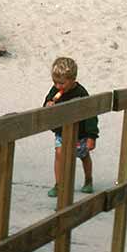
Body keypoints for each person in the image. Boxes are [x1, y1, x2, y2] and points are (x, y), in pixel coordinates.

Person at [43, 57, 98, 197]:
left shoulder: (81, 92)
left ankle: (88, 180)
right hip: (62, 132)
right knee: (59, 154)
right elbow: (46, 103)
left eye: (62, 83)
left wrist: (92, 136)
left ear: (73, 79)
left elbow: (91, 114)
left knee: (84, 156)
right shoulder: (54, 90)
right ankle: (58, 184)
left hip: (80, 134)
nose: (58, 86)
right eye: (55, 82)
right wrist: (48, 105)